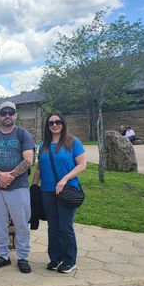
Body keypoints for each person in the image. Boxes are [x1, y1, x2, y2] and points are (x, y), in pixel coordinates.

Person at [0, 101, 35, 274]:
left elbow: (29, 160)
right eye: (3, 113)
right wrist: (0, 176)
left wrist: (9, 177)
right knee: (0, 223)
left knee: (21, 223)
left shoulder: (22, 134)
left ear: (15, 115)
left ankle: (22, 257)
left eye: (10, 113)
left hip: (18, 187)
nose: (7, 116)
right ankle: (3, 255)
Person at [32, 112, 86, 273]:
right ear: (47, 126)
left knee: (65, 226)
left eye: (58, 122)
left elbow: (82, 164)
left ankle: (70, 260)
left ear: (63, 123)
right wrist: (34, 186)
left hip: (67, 189)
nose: (54, 125)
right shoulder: (43, 145)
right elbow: (40, 168)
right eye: (51, 123)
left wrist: (64, 179)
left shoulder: (72, 142)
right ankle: (55, 258)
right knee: (52, 226)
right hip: (47, 191)